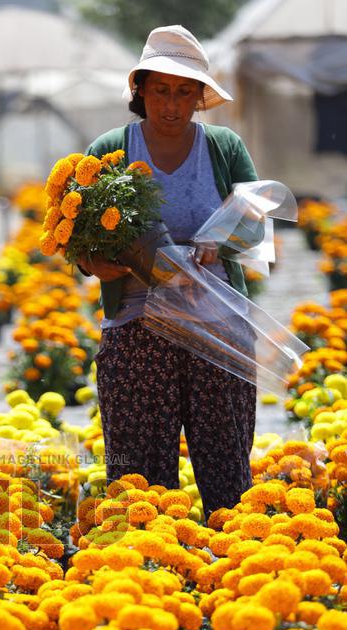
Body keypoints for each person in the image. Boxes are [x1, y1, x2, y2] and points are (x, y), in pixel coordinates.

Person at [79, 25, 261, 520]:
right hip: (138, 333)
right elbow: (81, 238)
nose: (173, 105)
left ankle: (235, 572)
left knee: (228, 475)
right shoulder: (110, 150)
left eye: (185, 92)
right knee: (139, 482)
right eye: (161, 90)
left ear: (201, 96)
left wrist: (220, 239)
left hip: (218, 332)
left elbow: (256, 226)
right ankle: (143, 578)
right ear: (140, 91)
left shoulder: (223, 148)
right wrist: (94, 263)